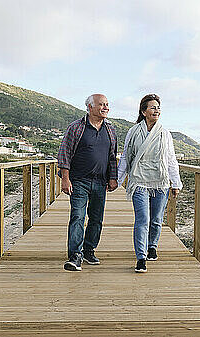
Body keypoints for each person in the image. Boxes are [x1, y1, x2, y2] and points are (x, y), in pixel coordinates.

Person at [117, 94, 182, 273]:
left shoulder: (164, 133)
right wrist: (118, 179)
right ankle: (141, 257)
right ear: (143, 111)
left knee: (156, 219)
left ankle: (152, 245)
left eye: (158, 108)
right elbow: (126, 157)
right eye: (152, 107)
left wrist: (175, 182)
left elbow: (170, 159)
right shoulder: (133, 131)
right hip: (139, 180)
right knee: (143, 219)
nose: (156, 110)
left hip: (160, 182)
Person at [57, 94, 118, 271]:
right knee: (78, 216)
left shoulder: (110, 130)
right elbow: (64, 154)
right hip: (79, 181)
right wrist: (65, 179)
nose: (105, 107)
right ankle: (75, 255)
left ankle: (89, 249)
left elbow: (112, 157)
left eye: (107, 104)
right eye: (101, 105)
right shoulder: (76, 127)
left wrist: (113, 178)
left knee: (96, 218)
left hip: (100, 182)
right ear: (90, 107)